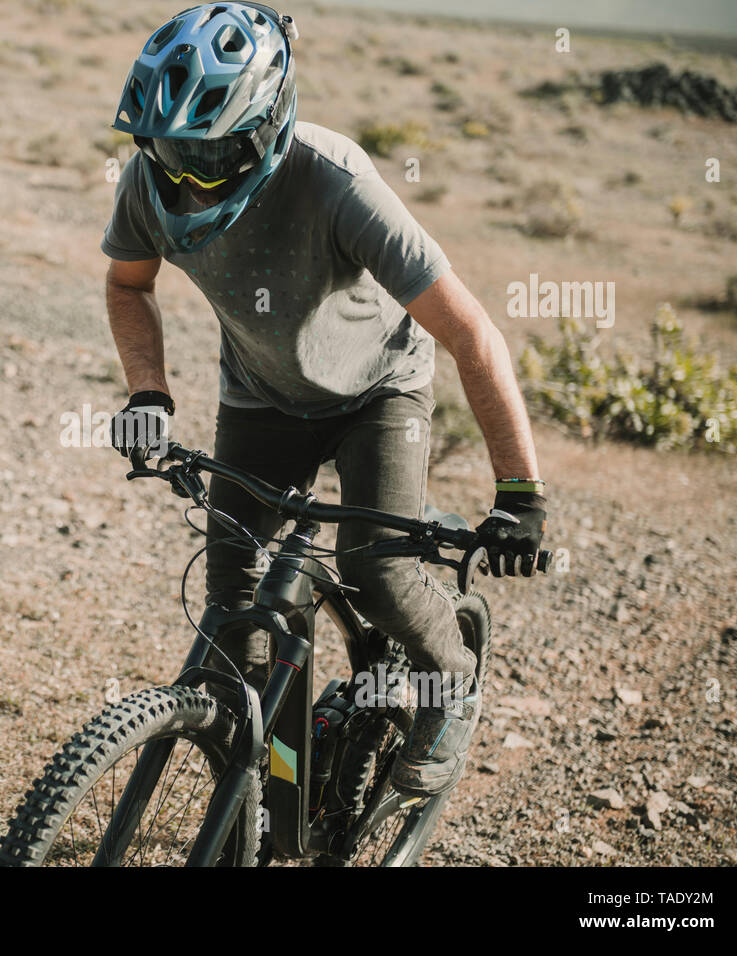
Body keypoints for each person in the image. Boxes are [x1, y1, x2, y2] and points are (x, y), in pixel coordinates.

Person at [101, 2, 547, 797]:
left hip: (377, 390)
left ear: (268, 125)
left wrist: (520, 494)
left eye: (211, 154)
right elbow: (127, 283)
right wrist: (148, 392)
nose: (187, 178)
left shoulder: (337, 182)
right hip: (263, 396)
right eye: (170, 151)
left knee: (374, 571)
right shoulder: (150, 181)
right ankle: (279, 769)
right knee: (231, 603)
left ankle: (453, 676)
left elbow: (472, 333)